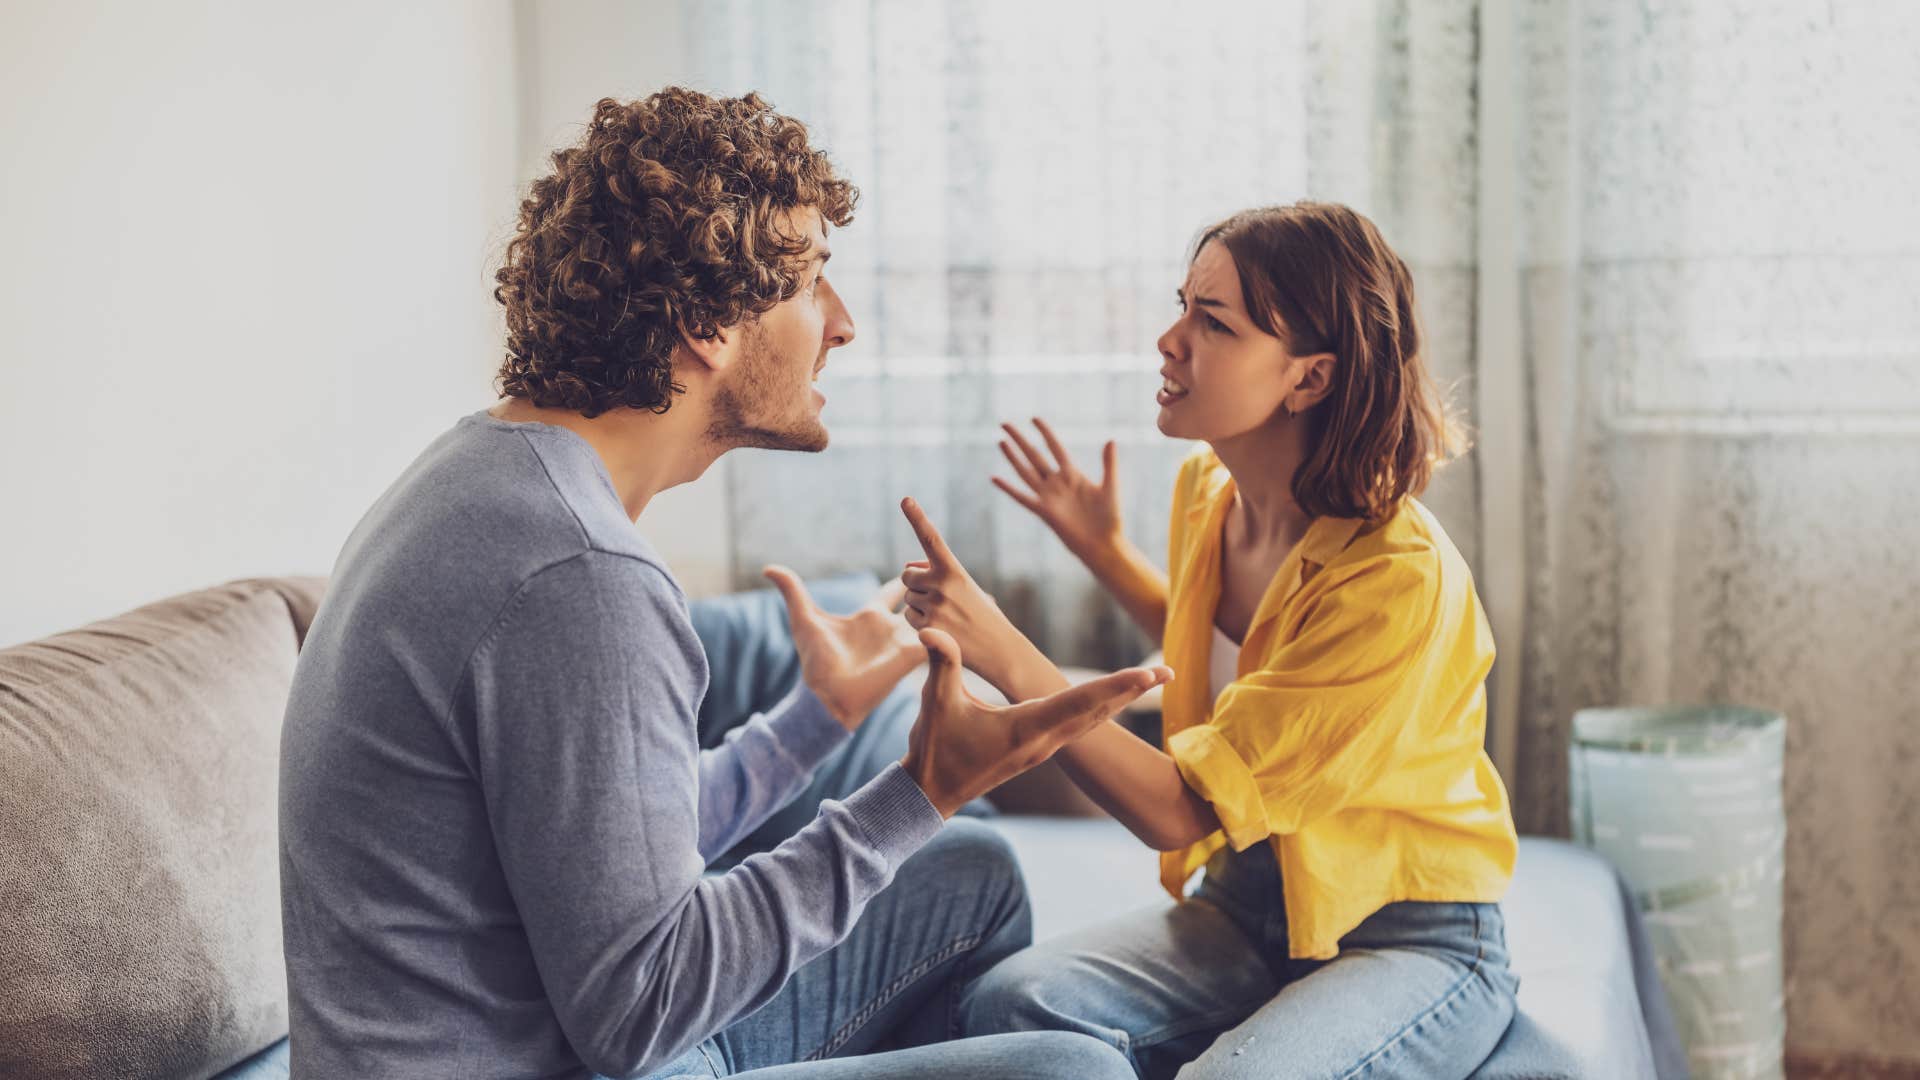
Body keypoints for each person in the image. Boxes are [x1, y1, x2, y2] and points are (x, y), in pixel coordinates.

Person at [278, 87, 1166, 1080]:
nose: (844, 325)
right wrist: (925, 788)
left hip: (558, 1038)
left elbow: (604, 852)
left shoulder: (483, 474)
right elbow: (641, 1010)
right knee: (1071, 1073)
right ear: (707, 320)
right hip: (592, 1054)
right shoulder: (582, 574)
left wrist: (815, 722)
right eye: (813, 282)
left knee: (973, 875)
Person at [896, 202, 1522, 1078]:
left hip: (1404, 932)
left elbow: (1179, 808)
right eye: (1182, 305)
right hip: (1245, 902)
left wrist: (1005, 652)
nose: (1169, 338)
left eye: (1212, 322)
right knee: (1013, 1004)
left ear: (1309, 378)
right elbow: (1242, 661)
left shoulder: (1395, 582)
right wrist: (1108, 554)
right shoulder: (1210, 491)